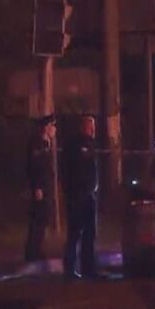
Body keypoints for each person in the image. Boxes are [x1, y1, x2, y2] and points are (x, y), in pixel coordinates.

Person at [62, 115, 99, 279]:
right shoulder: (76, 145)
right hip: (78, 196)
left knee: (89, 234)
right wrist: (77, 190)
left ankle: (87, 268)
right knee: (75, 233)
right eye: (91, 127)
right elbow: (73, 171)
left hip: (88, 195)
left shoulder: (89, 144)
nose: (93, 130)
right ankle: (71, 269)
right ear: (84, 127)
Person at [24, 116, 56, 266]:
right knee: (38, 219)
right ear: (47, 127)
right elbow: (35, 166)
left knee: (43, 218)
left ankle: (37, 249)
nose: (55, 130)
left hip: (46, 186)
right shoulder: (37, 143)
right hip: (40, 188)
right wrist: (37, 187)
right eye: (52, 126)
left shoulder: (46, 143)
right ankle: (32, 252)